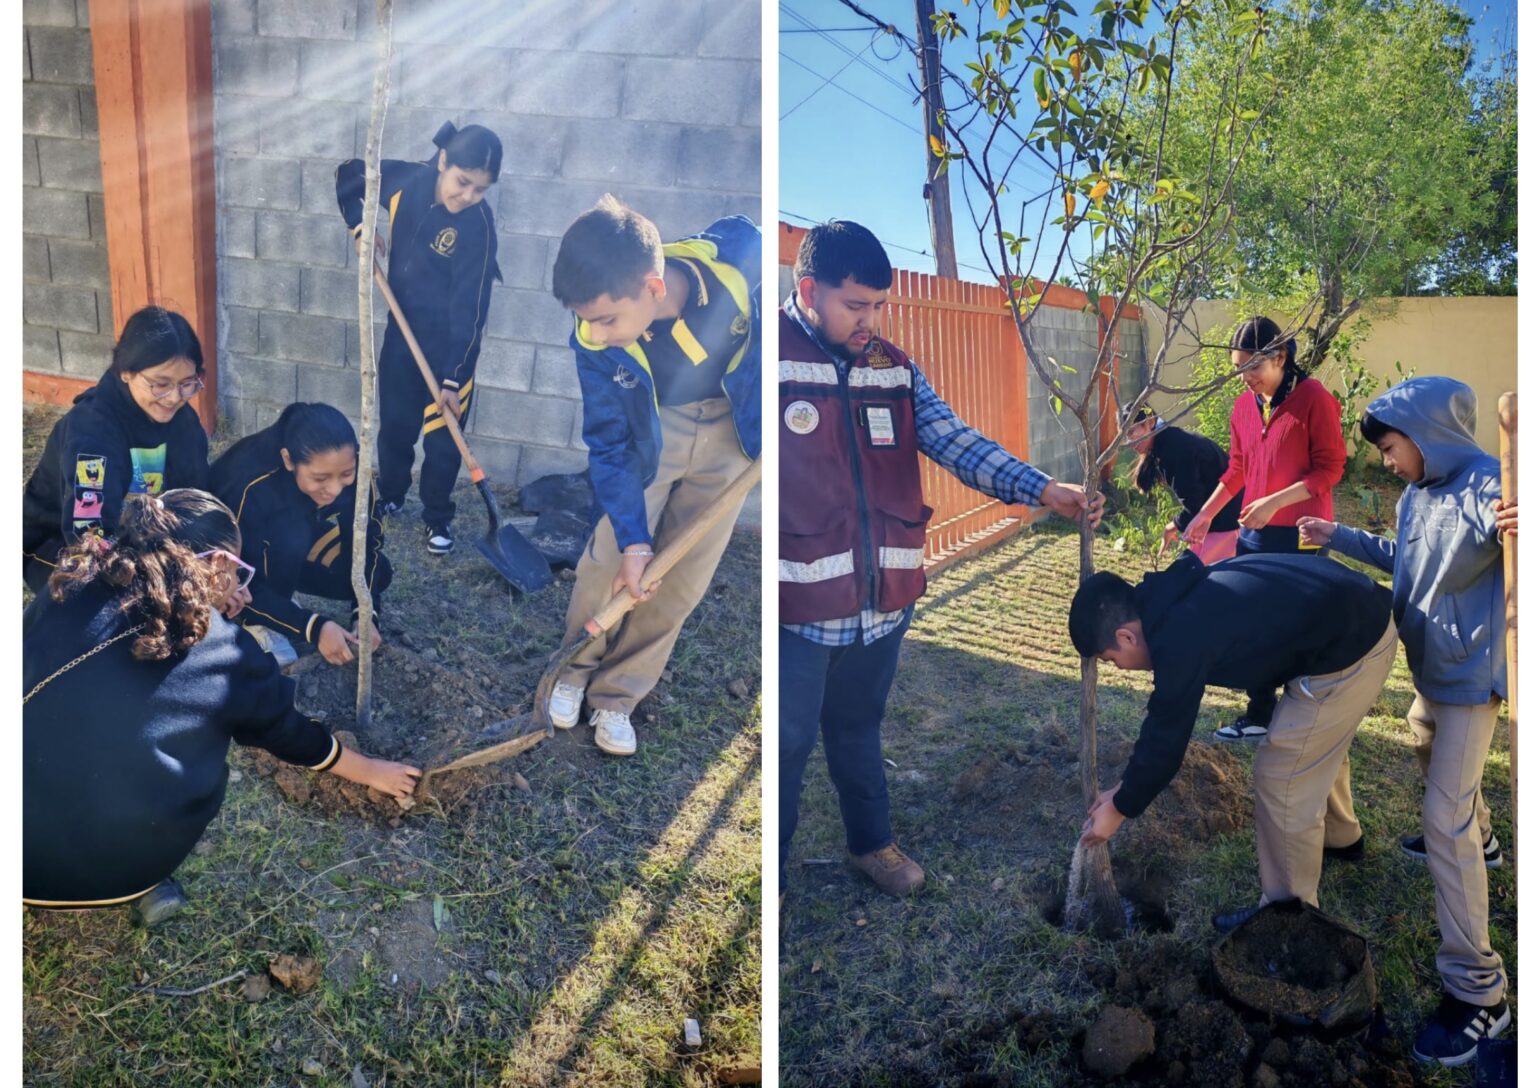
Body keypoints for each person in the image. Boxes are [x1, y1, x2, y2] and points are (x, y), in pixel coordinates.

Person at [779, 221, 1103, 897]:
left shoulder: (891, 370)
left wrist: (1042, 489)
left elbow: (954, 440)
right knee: (785, 746)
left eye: (879, 306)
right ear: (809, 291)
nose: (870, 321)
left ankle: (872, 846)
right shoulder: (772, 364)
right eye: (855, 307)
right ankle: (773, 867)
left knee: (859, 727)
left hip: (883, 603)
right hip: (798, 608)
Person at [23, 490, 419, 927]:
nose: (242, 591)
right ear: (216, 566)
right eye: (238, 572)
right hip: (110, 869)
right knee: (207, 750)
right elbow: (288, 733)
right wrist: (371, 771)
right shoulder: (227, 653)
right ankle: (147, 880)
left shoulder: (71, 582)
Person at [1297, 377, 1515, 1065]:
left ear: (1426, 436)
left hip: (1470, 680)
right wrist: (1338, 536)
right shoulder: (1418, 496)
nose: (1387, 462)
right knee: (1421, 738)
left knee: (1440, 822)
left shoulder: (1488, 482)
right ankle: (1482, 839)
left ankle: (1481, 994)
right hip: (1430, 673)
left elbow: (1513, 523)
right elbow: (1405, 564)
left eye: (1392, 448)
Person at [1071, 552, 1396, 930]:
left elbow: (1167, 730)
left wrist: (1122, 806)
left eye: (1111, 660)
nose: (1119, 669)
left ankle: (1286, 918)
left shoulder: (1178, 634)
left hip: (1352, 643)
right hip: (1354, 616)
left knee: (1282, 774)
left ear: (1126, 636)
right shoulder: (1170, 600)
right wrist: (1125, 788)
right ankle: (1341, 838)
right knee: (1313, 742)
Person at [545, 196, 761, 757]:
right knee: (610, 557)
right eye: (586, 319)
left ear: (654, 288)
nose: (595, 332)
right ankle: (572, 671)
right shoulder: (591, 337)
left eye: (607, 318)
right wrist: (636, 539)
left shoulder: (739, 260)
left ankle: (617, 697)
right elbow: (607, 440)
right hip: (653, 433)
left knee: (682, 578)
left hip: (731, 438)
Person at [336, 121, 503, 557]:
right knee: (396, 425)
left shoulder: (478, 226)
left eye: (480, 190)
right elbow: (348, 175)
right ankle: (390, 493)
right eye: (463, 182)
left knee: (443, 438)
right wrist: (361, 228)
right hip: (401, 332)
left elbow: (472, 310)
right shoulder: (407, 182)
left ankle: (437, 517)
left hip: (451, 347)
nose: (467, 196)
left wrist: (454, 378)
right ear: (443, 161)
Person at [1182, 316, 1347, 741]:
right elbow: (1237, 469)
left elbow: (1331, 469)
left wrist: (1275, 502)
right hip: (1252, 534)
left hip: (1303, 533)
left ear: (1280, 357)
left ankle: (1303, 716)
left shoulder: (1314, 399)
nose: (1245, 378)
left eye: (1252, 368)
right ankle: (1259, 714)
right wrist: (1204, 514)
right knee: (1254, 620)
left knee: (1297, 624)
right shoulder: (1243, 406)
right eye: (1239, 368)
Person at [23, 306, 211, 593]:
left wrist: (206, 557)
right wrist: (154, 578)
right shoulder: (91, 433)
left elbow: (196, 496)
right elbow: (89, 538)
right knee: (117, 600)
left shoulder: (183, 420)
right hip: (57, 544)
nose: (174, 398)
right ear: (126, 371)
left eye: (187, 383)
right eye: (160, 385)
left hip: (141, 537)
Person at [210, 403, 390, 668]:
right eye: (320, 478)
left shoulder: (352, 468)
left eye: (346, 475)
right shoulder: (251, 486)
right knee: (288, 540)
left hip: (300, 531)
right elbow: (238, 576)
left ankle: (280, 597)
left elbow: (365, 543)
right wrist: (313, 628)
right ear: (288, 460)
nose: (335, 489)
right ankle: (257, 621)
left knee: (379, 570)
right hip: (226, 555)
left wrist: (365, 614)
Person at [1122, 407, 1243, 563]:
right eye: (1124, 435)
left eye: (1131, 432)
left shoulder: (1172, 448)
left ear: (1150, 422)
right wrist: (1174, 526)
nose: (1128, 441)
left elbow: (1194, 506)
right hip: (1217, 519)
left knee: (1205, 582)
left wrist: (1174, 524)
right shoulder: (1168, 441)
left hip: (1224, 520)